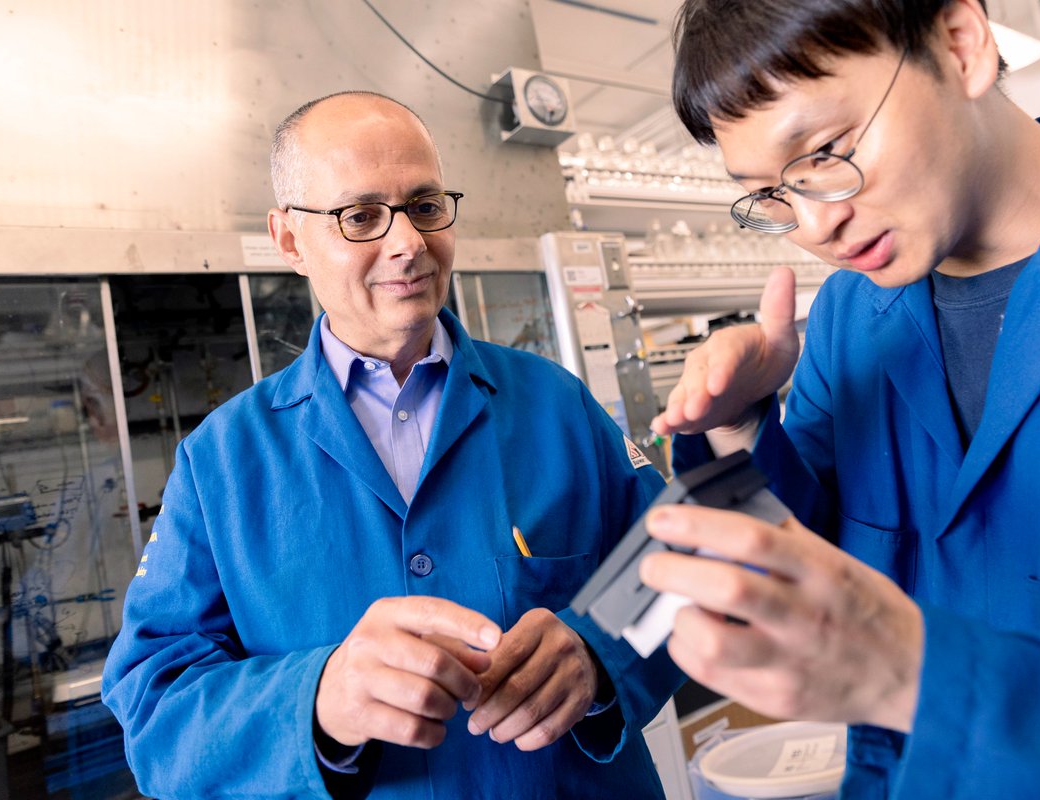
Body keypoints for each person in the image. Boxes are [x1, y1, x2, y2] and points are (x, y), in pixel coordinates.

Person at [639, 0, 1040, 797]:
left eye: (825, 150)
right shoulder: (851, 314)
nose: (816, 223)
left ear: (960, 45)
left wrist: (913, 673)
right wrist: (743, 424)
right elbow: (799, 562)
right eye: (773, 196)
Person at [101, 92, 681, 799]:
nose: (407, 242)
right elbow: (155, 709)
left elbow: (677, 561)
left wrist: (598, 649)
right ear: (289, 240)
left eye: (426, 206)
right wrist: (317, 701)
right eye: (363, 216)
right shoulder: (220, 462)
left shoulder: (555, 404)